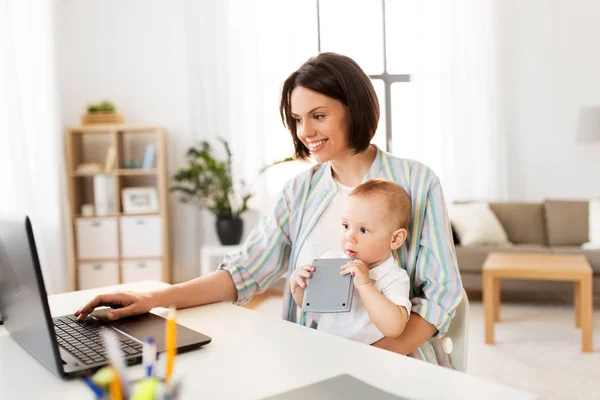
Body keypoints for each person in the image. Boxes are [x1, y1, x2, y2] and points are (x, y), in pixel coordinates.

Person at [75, 52, 463, 367]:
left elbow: (442, 295)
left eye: (318, 115)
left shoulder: (416, 182)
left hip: (395, 365)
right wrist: (153, 299)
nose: (304, 132)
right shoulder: (299, 191)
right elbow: (244, 273)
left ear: (354, 108)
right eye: (296, 119)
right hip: (313, 359)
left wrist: (365, 363)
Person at [291, 179, 413, 345]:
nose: (350, 236)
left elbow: (394, 328)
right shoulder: (331, 261)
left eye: (363, 230)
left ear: (395, 239)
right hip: (325, 349)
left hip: (366, 360)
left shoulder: (394, 278)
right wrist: (300, 286)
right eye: (346, 225)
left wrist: (365, 285)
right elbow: (311, 308)